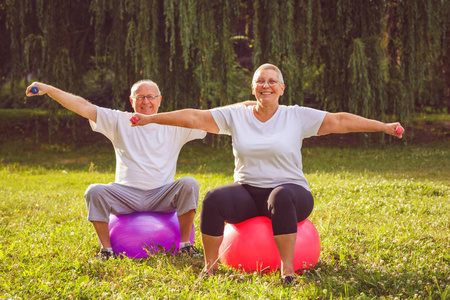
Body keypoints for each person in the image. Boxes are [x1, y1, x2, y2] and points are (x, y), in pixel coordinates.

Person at [129, 63, 404, 284]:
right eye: (261, 81)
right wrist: (152, 118)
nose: (266, 85)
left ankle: (287, 272)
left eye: (272, 81)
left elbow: (340, 120)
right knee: (213, 199)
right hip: (248, 191)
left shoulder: (296, 116)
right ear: (253, 88)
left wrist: (382, 126)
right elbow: (194, 117)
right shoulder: (237, 115)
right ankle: (209, 268)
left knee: (280, 196)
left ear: (282, 88)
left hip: (292, 192)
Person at [25, 80, 208, 260]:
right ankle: (106, 250)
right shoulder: (119, 120)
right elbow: (83, 107)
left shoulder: (173, 124)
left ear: (159, 100)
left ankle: (185, 247)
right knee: (94, 191)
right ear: (131, 101)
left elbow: (206, 119)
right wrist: (49, 89)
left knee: (189, 183)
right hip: (126, 196)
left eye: (151, 97)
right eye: (140, 97)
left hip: (162, 195)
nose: (146, 101)